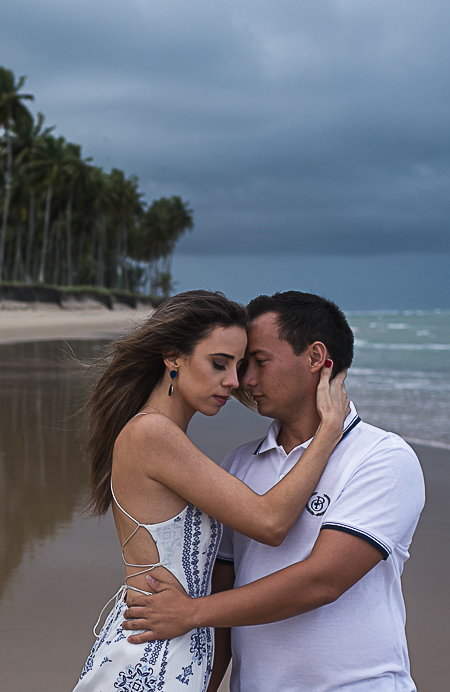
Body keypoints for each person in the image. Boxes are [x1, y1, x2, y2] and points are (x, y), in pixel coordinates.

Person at [121, 291, 425, 692]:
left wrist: (193, 612)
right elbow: (224, 588)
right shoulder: (241, 463)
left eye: (259, 362)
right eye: (238, 365)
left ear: (316, 358)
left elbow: (323, 580)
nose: (244, 381)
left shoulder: (383, 457)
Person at [73, 290, 347, 692]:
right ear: (173, 357)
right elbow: (269, 522)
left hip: (179, 650)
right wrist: (328, 433)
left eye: (240, 365)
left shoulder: (166, 438)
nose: (234, 381)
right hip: (150, 659)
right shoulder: (152, 434)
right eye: (219, 364)